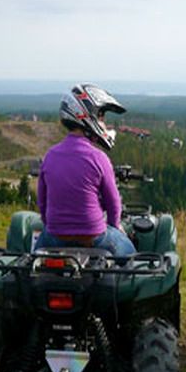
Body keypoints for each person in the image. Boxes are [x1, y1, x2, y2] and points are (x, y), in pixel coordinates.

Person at [35, 83, 136, 255]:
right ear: (88, 116)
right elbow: (113, 203)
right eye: (102, 117)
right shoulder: (99, 158)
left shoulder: (50, 156)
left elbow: (42, 202)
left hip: (55, 236)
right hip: (93, 237)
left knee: (31, 260)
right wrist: (114, 227)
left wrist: (50, 227)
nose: (104, 123)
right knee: (132, 256)